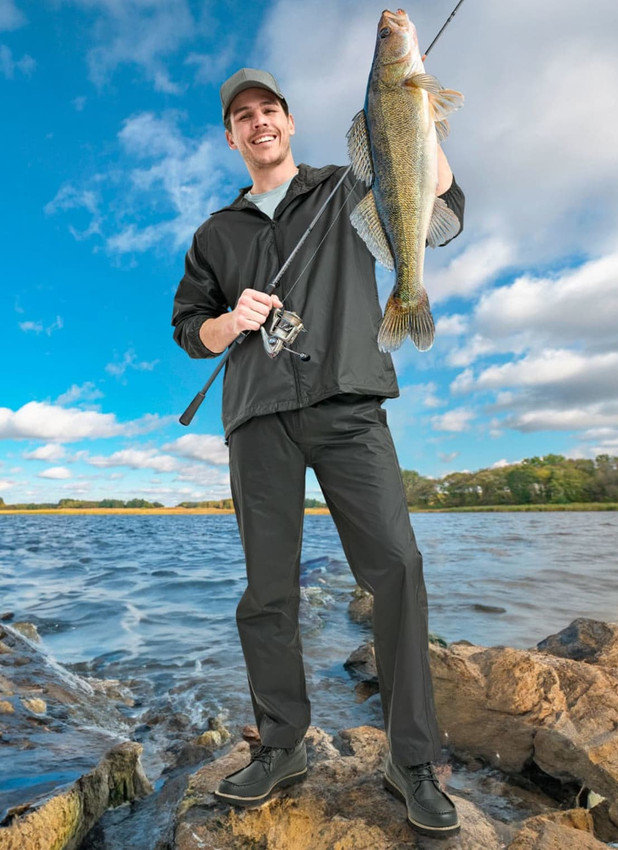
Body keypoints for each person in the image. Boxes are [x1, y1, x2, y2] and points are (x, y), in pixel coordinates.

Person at [171, 67, 465, 840]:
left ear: (289, 122)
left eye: (269, 108)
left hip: (348, 400)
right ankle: (281, 746)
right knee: (267, 592)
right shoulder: (214, 235)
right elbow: (187, 331)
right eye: (243, 115)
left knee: (397, 567)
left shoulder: (345, 186)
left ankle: (412, 760)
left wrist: (420, 118)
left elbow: (436, 210)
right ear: (230, 136)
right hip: (257, 419)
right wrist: (231, 322)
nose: (258, 121)